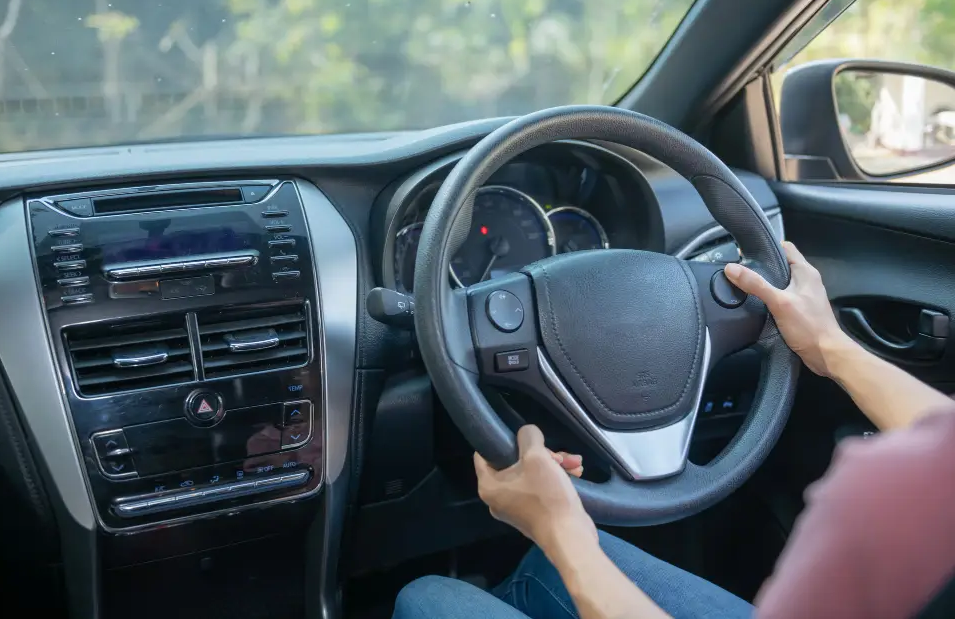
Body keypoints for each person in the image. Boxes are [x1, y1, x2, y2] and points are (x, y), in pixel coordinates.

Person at [393, 242, 955, 619]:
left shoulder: (886, 493)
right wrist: (827, 346)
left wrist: (560, 528)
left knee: (429, 598)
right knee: (547, 568)